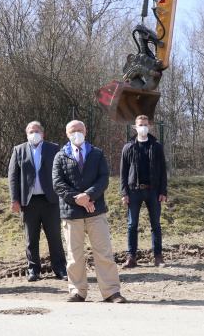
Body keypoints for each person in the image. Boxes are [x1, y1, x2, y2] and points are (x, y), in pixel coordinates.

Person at [53, 120, 127, 303]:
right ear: (67, 134)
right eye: (72, 131)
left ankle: (111, 291)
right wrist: (78, 199)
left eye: (79, 130)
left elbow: (103, 178)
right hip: (71, 212)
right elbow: (58, 183)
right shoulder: (60, 156)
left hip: (96, 210)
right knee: (74, 254)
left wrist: (89, 195)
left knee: (103, 251)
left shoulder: (97, 153)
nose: (76, 133)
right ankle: (77, 291)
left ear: (85, 131)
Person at [8, 121, 67, 282]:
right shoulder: (19, 150)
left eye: (36, 131)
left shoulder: (53, 148)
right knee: (31, 238)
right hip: (28, 202)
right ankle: (33, 270)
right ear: (26, 134)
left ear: (42, 133)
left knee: (54, 237)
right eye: (30, 132)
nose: (33, 134)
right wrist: (14, 199)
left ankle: (60, 269)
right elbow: (13, 177)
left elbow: (61, 173)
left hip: (51, 200)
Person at [120, 115, 168, 269]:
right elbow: (123, 172)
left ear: (150, 126)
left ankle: (158, 257)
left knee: (156, 224)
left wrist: (163, 191)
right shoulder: (128, 147)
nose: (143, 127)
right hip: (134, 191)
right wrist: (124, 193)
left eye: (146, 124)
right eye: (140, 125)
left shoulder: (156, 146)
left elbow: (163, 170)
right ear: (135, 127)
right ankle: (131, 257)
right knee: (132, 225)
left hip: (153, 191)